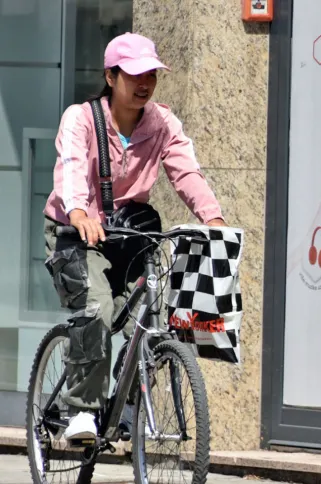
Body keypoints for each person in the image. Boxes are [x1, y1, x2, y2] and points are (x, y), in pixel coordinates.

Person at [43, 32, 227, 441]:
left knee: (156, 316)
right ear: (111, 76)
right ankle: (81, 411)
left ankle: (128, 406)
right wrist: (77, 212)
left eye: (152, 76)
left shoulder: (161, 122)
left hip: (128, 233)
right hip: (75, 233)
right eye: (134, 75)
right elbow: (72, 166)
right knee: (97, 309)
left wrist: (213, 220)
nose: (145, 83)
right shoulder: (81, 118)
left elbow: (186, 172)